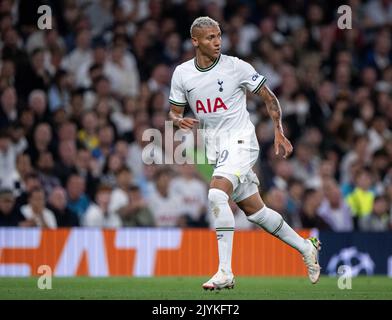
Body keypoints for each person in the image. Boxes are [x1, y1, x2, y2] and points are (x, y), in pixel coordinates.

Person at [168, 16, 321, 290]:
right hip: (216, 148)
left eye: (218, 36)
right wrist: (178, 120)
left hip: (241, 141)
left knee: (216, 193)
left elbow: (268, 96)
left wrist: (278, 129)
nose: (217, 42)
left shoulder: (236, 67)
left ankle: (225, 271)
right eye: (210, 38)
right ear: (195, 41)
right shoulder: (182, 74)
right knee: (256, 211)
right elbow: (174, 111)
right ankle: (305, 247)